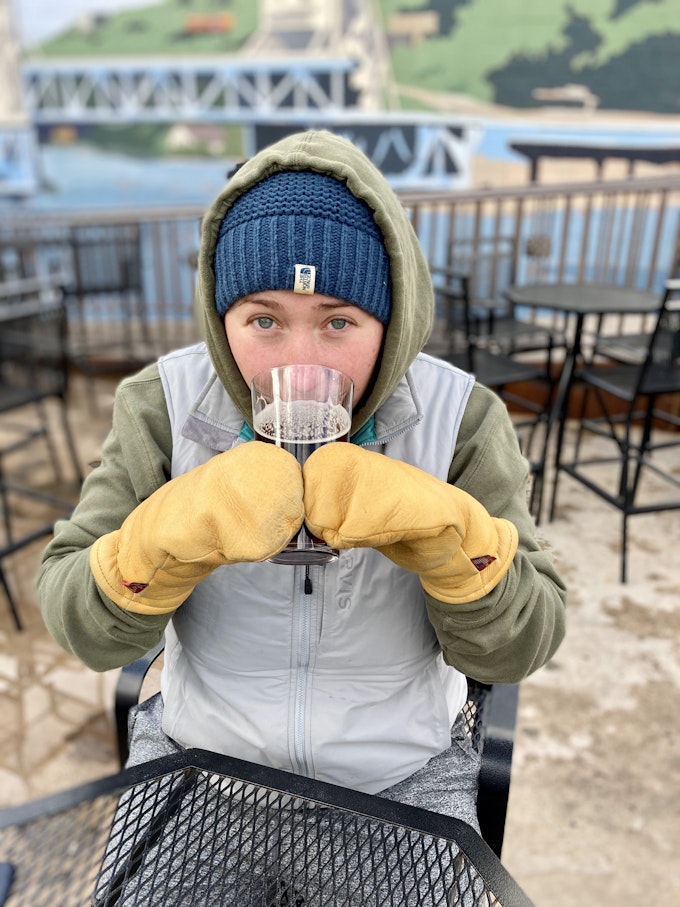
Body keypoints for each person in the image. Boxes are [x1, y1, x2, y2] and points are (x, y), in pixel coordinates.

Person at [37, 130, 566, 835]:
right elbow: (79, 623)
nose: (303, 360)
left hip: (399, 778)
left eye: (339, 321)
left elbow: (522, 644)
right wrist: (152, 548)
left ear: (392, 319)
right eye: (263, 319)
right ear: (219, 317)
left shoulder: (463, 418)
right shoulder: (159, 405)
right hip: (202, 764)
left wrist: (459, 547)